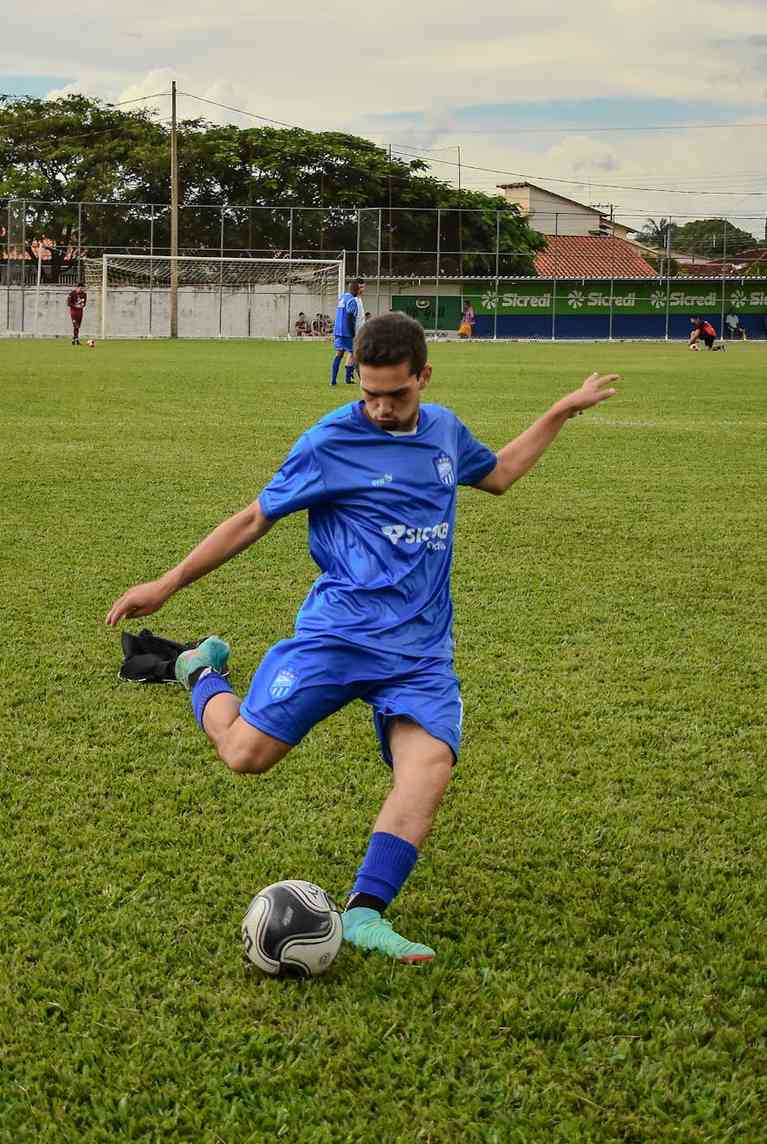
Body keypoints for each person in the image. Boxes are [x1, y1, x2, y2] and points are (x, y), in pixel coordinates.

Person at [105, 313, 617, 964]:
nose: (378, 407)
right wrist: (168, 581)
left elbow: (499, 474)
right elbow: (253, 519)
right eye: (366, 391)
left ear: (423, 377)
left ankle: (366, 914)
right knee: (243, 756)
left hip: (420, 652)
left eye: (394, 394)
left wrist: (560, 411)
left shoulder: (444, 433)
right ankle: (198, 669)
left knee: (427, 766)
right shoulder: (329, 442)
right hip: (338, 637)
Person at [330, 279, 365, 386]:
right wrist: (353, 334)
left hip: (338, 331)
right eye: (360, 288)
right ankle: (363, 381)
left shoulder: (343, 297)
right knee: (356, 356)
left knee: (339, 355)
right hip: (347, 333)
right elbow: (349, 318)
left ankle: (333, 380)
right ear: (356, 289)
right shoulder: (352, 301)